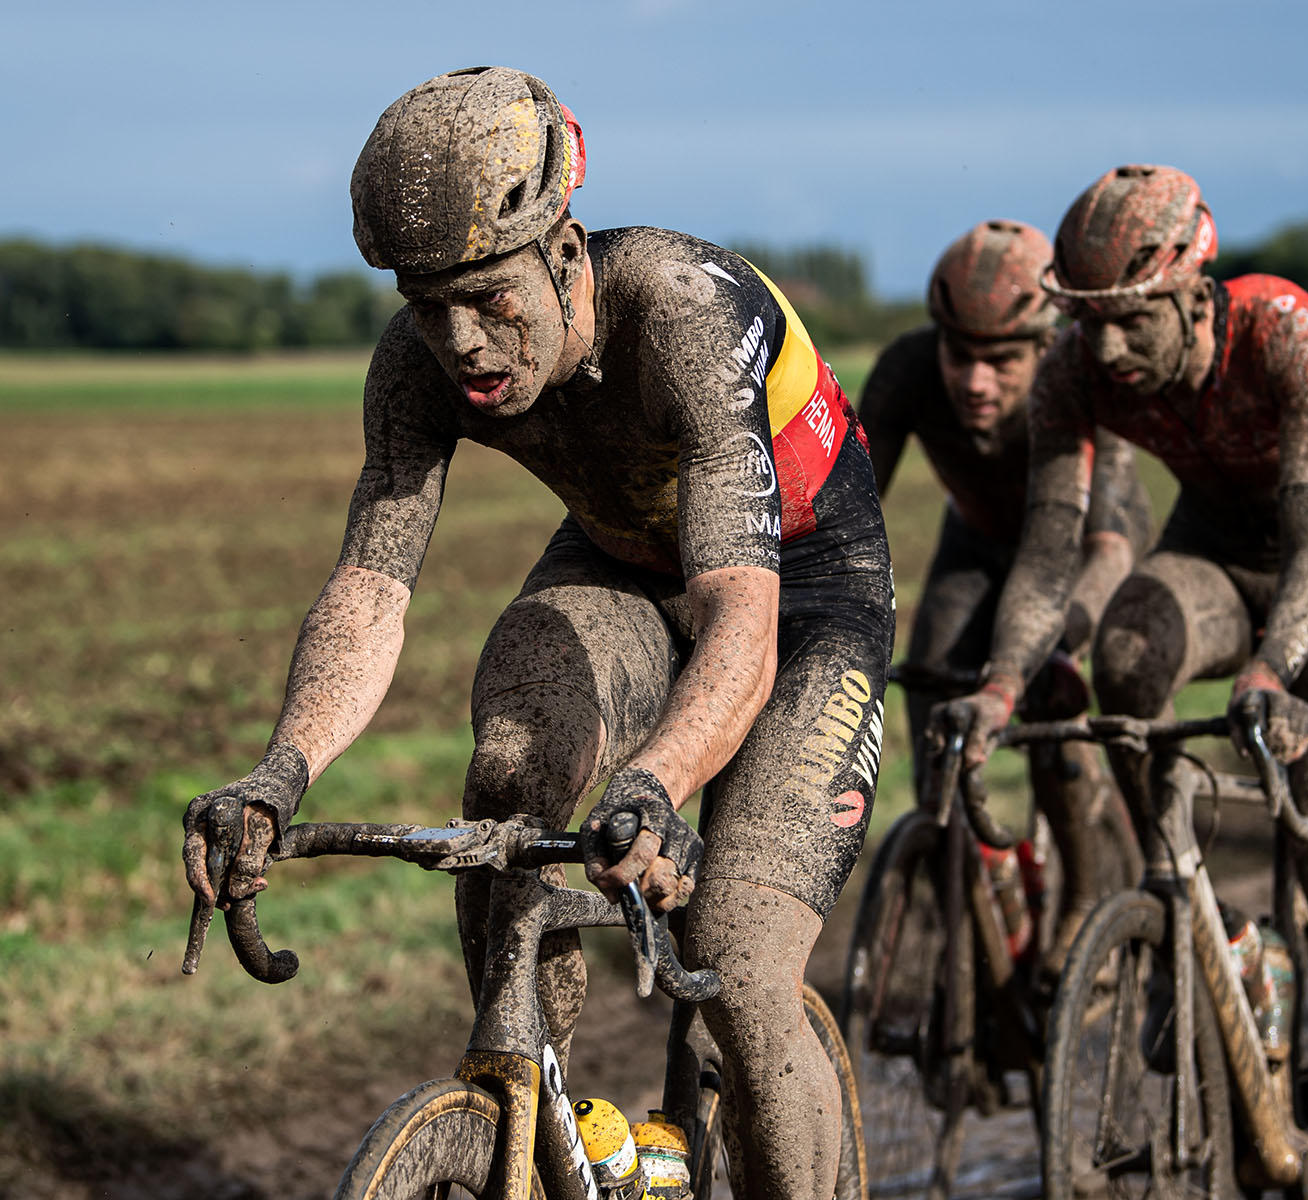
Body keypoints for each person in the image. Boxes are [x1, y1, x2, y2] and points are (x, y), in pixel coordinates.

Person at [179, 67, 892, 1198]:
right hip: (618, 560)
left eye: (490, 299)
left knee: (741, 954)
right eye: (426, 302)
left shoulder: (683, 313)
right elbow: (370, 588)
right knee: (510, 775)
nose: (460, 342)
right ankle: (546, 1115)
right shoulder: (416, 368)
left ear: (564, 254)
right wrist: (279, 773)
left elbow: (740, 620)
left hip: (798, 590)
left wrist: (655, 780)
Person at [956, 165, 1308, 1198]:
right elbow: (1045, 551)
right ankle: (1194, 914)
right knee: (1123, 659)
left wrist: (1270, 672)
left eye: (1130, 323)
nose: (1107, 350)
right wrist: (997, 685)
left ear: (1192, 287)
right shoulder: (1077, 365)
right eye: (1089, 323)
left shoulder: (1281, 332)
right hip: (1216, 549)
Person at [859, 218, 1151, 967]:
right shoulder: (907, 371)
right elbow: (843, 509)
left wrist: (1066, 643)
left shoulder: (1082, 381)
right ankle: (968, 878)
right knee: (931, 688)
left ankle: (1083, 894)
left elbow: (1108, 548)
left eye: (1001, 361)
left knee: (1055, 697)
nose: (975, 382)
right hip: (978, 544)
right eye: (961, 355)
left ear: (1047, 346)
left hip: (1087, 553)